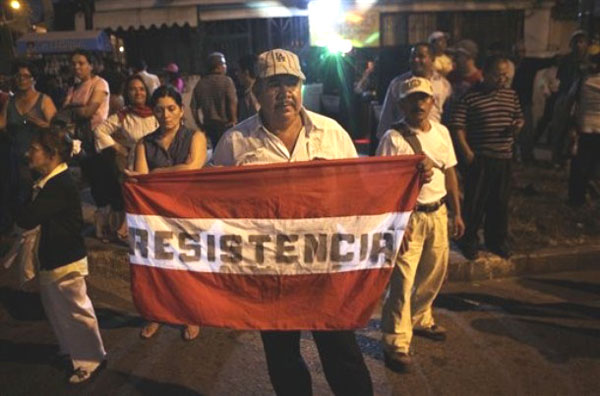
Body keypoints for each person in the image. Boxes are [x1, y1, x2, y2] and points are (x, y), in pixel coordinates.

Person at [212, 48, 434, 396]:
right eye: (273, 84)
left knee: (341, 352)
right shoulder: (234, 143)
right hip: (269, 270)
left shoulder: (332, 135)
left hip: (326, 266)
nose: (284, 93)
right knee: (282, 356)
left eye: (291, 83)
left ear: (302, 87)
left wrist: (398, 204)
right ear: (257, 93)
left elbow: (360, 192)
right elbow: (208, 201)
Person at [377, 76, 464, 372]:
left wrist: (457, 212)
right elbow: (384, 185)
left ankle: (420, 318)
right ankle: (396, 342)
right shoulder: (393, 138)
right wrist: (397, 222)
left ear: (432, 102)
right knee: (402, 281)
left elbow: (450, 172)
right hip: (410, 217)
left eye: (424, 98)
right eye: (412, 98)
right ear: (401, 104)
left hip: (438, 214)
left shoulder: (442, 132)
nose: (419, 103)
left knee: (434, 273)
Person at [17, 126, 107, 384]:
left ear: (52, 154)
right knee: (58, 309)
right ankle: (71, 350)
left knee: (76, 311)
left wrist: (23, 186)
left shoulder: (58, 185)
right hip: (53, 257)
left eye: (34, 150)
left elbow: (27, 218)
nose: (28, 154)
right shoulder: (50, 181)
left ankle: (91, 358)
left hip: (65, 259)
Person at [129, 85, 207, 340]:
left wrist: (155, 174)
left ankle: (191, 315)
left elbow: (193, 168)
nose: (166, 115)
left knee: (188, 267)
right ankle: (157, 314)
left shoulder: (196, 136)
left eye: (171, 109)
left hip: (188, 213)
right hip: (155, 214)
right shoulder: (145, 142)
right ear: (153, 113)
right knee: (158, 268)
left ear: (181, 110)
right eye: (160, 110)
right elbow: (141, 179)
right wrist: (153, 176)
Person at [450, 56, 524, 260]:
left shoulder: (511, 95)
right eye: (497, 75)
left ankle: (496, 240)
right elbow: (458, 126)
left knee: (499, 202)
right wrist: (467, 153)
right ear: (484, 73)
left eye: (504, 75)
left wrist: (518, 125)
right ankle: (468, 240)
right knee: (475, 203)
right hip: (481, 157)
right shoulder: (470, 96)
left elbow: (519, 117)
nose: (501, 79)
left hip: (503, 157)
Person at [94, 74, 159, 241]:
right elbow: (100, 131)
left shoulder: (157, 111)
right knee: (136, 201)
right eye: (133, 89)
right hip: (135, 164)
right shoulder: (124, 116)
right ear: (127, 93)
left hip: (158, 164)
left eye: (141, 89)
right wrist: (118, 147)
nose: (138, 93)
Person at [0, 61, 56, 233]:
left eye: (25, 76)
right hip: (15, 155)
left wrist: (43, 125)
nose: (21, 80)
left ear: (33, 78)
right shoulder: (10, 101)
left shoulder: (43, 100)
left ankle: (28, 227)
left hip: (37, 157)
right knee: (11, 191)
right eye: (18, 76)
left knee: (28, 192)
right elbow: (2, 125)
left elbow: (57, 129)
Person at [377, 43, 452, 139]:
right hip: (404, 139)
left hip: (434, 139)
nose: (416, 60)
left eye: (421, 56)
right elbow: (386, 118)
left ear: (432, 59)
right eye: (413, 57)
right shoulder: (397, 84)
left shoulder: (444, 86)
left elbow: (449, 119)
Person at [510, 41, 557, 163]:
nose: (519, 54)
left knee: (526, 131)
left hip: (524, 102)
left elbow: (546, 62)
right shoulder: (508, 65)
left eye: (522, 51)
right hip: (508, 102)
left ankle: (527, 156)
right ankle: (513, 155)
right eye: (517, 52)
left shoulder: (527, 64)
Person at [568, 53, 600, 207]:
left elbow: (571, 99)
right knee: (594, 165)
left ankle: (577, 198)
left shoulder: (584, 81)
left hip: (585, 126)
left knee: (581, 164)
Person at [191, 52, 238, 148]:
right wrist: (233, 119)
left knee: (216, 151)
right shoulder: (227, 81)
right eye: (224, 64)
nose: (226, 66)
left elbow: (193, 107)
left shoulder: (201, 84)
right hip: (226, 125)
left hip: (209, 125)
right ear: (218, 66)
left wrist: (199, 124)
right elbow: (232, 101)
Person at [235, 54, 260, 122]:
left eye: (238, 70)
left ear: (246, 73)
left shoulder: (252, 94)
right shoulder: (252, 91)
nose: (236, 74)